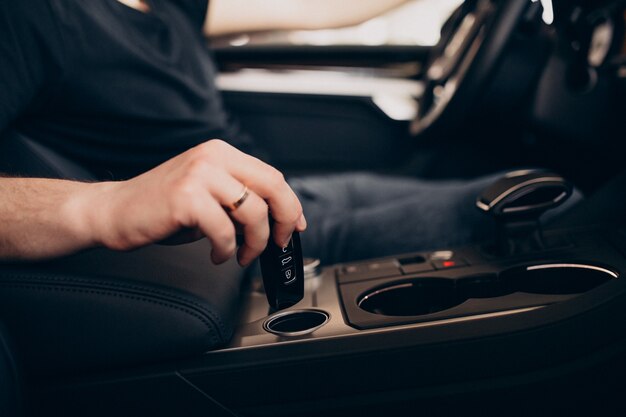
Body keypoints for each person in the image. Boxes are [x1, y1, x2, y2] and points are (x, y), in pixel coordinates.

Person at [0, 0, 577, 266]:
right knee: (554, 206)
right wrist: (105, 206)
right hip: (243, 242)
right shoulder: (31, 15)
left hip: (292, 193)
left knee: (526, 183)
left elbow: (321, 8)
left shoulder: (165, 5)